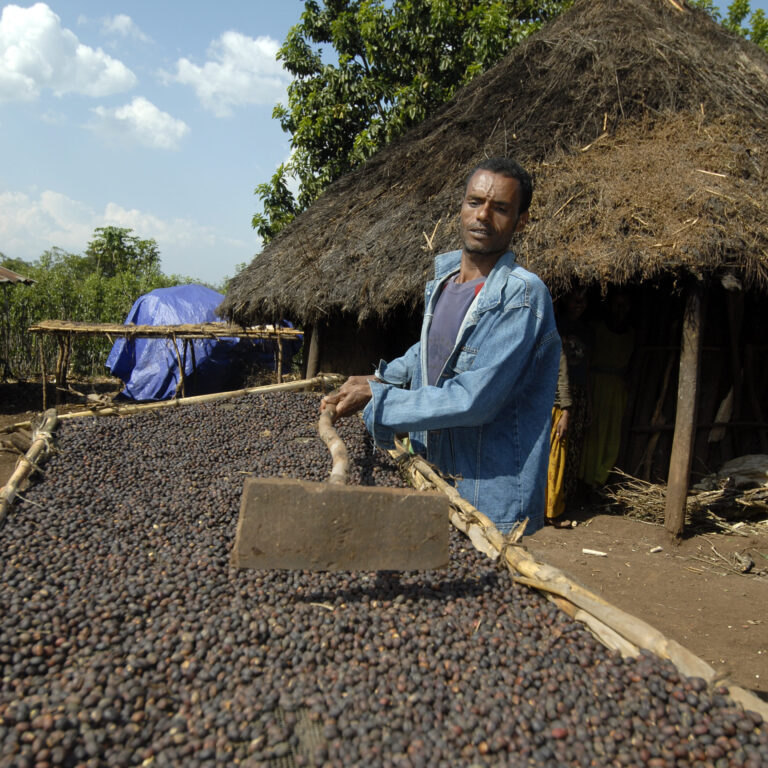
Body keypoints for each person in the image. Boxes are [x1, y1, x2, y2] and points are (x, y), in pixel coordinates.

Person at [321, 157, 560, 534]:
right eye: (474, 202)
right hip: (435, 471)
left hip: (485, 492)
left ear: (521, 220)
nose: (483, 215)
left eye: (500, 208)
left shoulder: (522, 295)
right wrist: (379, 377)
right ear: (460, 207)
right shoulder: (445, 283)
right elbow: (429, 351)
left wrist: (380, 399)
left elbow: (473, 399)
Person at [545, 287, 592, 527]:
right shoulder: (538, 341)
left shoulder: (556, 344)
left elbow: (563, 381)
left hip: (554, 410)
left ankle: (553, 511)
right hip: (539, 412)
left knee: (556, 460)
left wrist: (565, 412)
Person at [580, 288, 635, 488]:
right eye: (617, 304)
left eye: (625, 305)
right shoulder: (597, 330)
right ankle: (585, 479)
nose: (621, 310)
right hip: (596, 385)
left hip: (617, 390)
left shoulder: (631, 335)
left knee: (611, 435)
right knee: (593, 434)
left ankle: (599, 480)